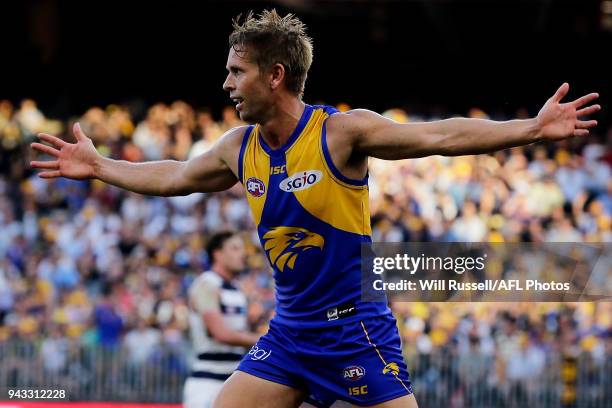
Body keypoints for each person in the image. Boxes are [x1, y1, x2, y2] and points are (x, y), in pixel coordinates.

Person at [30, 9, 600, 408]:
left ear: (274, 75)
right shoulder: (239, 147)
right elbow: (175, 176)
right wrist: (102, 166)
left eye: (237, 71)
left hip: (354, 331)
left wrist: (530, 128)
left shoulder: (339, 134)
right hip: (288, 337)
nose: (225, 83)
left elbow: (440, 137)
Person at [183, 231, 259, 408]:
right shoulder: (206, 285)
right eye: (235, 248)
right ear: (217, 254)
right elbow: (221, 334)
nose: (243, 254)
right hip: (207, 383)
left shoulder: (237, 289)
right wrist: (263, 340)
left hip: (233, 379)